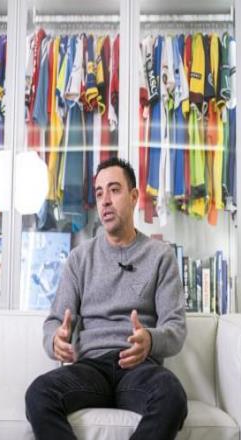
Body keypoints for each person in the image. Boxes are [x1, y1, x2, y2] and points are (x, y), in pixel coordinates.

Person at [25, 157, 188, 439]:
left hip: (139, 368)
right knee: (38, 394)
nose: (105, 201)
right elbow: (54, 322)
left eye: (114, 190)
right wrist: (56, 340)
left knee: (172, 396)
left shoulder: (161, 256)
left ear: (134, 196)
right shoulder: (79, 259)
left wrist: (150, 340)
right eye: (100, 193)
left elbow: (176, 328)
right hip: (90, 369)